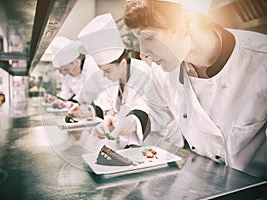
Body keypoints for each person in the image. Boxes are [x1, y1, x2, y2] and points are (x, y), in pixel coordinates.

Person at [123, 0, 267, 179]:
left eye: (148, 37)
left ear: (186, 20)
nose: (142, 52)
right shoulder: (162, 70)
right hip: (200, 183)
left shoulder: (261, 60)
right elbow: (157, 115)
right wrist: (133, 121)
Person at [77, 13, 184, 149]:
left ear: (122, 63)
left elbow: (149, 110)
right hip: (135, 145)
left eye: (107, 71)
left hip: (164, 143)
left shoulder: (145, 72)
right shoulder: (112, 79)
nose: (105, 76)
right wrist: (111, 121)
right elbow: (109, 107)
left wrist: (130, 121)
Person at [48, 38, 111, 111]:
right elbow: (66, 95)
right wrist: (62, 102)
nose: (66, 74)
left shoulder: (93, 64)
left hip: (104, 108)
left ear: (77, 63)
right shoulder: (66, 74)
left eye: (67, 70)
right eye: (62, 71)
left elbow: (106, 93)